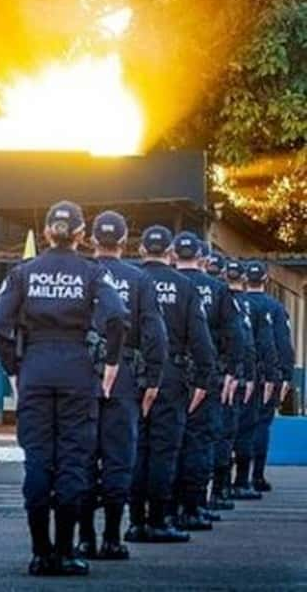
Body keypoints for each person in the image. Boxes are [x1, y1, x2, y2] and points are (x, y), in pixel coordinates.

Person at [0, 201, 128, 577]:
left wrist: (14, 367)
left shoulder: (23, 272)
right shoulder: (93, 272)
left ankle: (40, 552)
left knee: (37, 459)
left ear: (49, 232)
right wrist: (111, 363)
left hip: (35, 367)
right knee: (72, 461)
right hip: (77, 370)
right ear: (81, 234)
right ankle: (66, 552)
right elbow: (116, 316)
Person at [76, 211, 167, 561]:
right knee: (119, 458)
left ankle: (84, 538)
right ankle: (113, 537)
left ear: (93, 240)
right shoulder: (140, 279)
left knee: (82, 457)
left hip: (82, 375)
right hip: (125, 377)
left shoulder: (81, 274)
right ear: (127, 240)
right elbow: (154, 334)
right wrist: (153, 380)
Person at [126, 226, 213, 544]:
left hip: (132, 374)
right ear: (171, 253)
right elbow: (201, 340)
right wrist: (204, 377)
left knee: (137, 447)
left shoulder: (131, 281)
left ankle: (135, 521)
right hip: (171, 376)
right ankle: (159, 520)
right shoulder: (186, 286)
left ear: (140, 250)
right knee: (164, 450)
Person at [171, 233, 238, 530]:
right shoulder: (219, 289)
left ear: (174, 254)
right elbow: (234, 334)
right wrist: (231, 373)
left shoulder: (163, 284)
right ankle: (194, 507)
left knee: (166, 442)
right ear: (203, 257)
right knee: (199, 441)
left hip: (166, 374)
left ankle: (165, 509)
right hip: (205, 373)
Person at [231, 261, 278, 500]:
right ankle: (252, 477)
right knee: (255, 426)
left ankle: (223, 485)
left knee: (227, 428)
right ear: (266, 279)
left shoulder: (231, 300)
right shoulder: (273, 307)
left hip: (224, 373)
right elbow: (274, 342)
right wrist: (278, 375)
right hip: (254, 376)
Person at [245, 261, 294, 493]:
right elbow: (282, 342)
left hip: (238, 374)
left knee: (239, 425)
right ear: (266, 279)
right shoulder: (275, 308)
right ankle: (257, 476)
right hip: (266, 374)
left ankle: (236, 479)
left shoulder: (236, 303)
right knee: (261, 424)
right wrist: (285, 374)